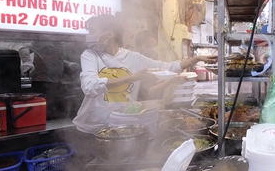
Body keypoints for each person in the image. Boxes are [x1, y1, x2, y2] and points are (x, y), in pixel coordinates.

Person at [73, 14, 216, 134]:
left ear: (110, 34)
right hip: (91, 128)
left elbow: (168, 67)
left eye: (92, 31)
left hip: (122, 126)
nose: (89, 36)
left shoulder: (134, 58)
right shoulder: (90, 55)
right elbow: (90, 87)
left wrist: (195, 59)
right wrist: (134, 77)